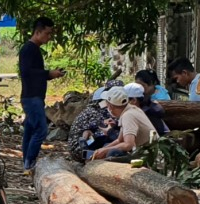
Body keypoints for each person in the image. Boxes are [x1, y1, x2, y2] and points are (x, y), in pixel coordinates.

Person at [19, 17, 66, 172]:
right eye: (47, 33)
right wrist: (48, 73)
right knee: (41, 130)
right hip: (31, 97)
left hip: (34, 96)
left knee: (30, 129)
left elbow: (33, 72)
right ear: (38, 32)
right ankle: (30, 161)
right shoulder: (28, 49)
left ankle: (26, 161)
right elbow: (26, 72)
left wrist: (50, 74)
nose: (49, 37)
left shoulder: (34, 49)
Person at [90, 86, 157, 161]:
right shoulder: (131, 109)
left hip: (149, 156)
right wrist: (102, 149)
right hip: (147, 152)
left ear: (110, 106)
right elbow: (119, 140)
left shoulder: (128, 116)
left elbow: (128, 145)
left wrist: (105, 150)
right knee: (107, 147)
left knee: (113, 153)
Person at [67, 81, 123, 161]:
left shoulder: (94, 108)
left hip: (78, 149)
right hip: (81, 150)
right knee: (110, 134)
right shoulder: (96, 111)